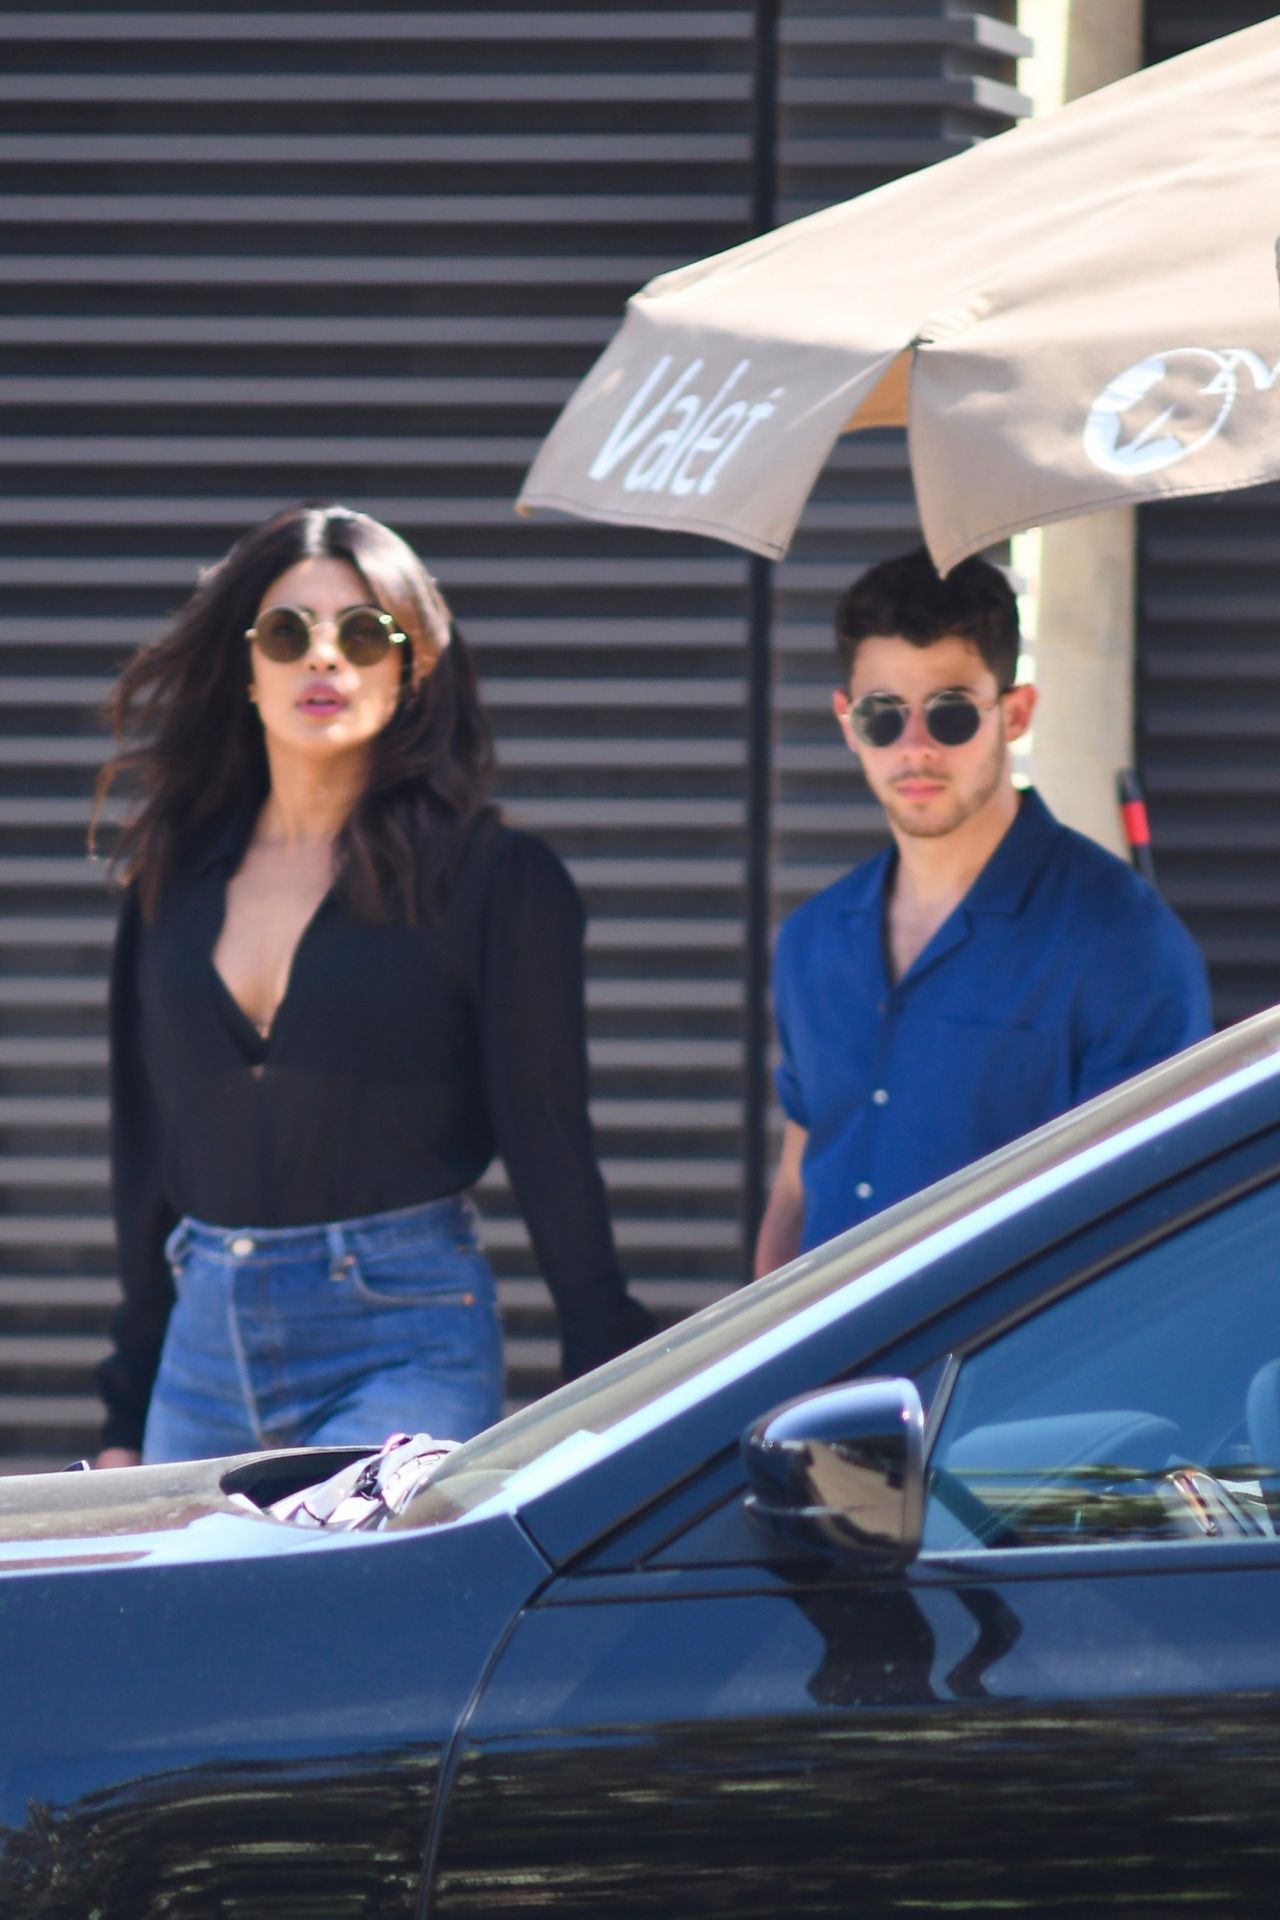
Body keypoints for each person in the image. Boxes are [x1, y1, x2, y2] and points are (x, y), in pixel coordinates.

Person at [94, 501, 655, 1467]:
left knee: (356, 1610)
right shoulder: (170, 884)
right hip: (200, 1353)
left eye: (362, 632)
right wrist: (124, 1409)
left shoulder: (492, 880)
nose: (324, 658)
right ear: (244, 667)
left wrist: (606, 1371)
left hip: (401, 1338)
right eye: (287, 633)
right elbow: (148, 1152)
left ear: (412, 663)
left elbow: (550, 1140)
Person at [754, 546, 1212, 1275]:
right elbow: (796, 1189)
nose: (916, 748)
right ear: (847, 722)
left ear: (1016, 711)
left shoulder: (1124, 940)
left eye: (951, 714)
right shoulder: (811, 942)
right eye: (882, 716)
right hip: (833, 1387)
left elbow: (1155, 1227)